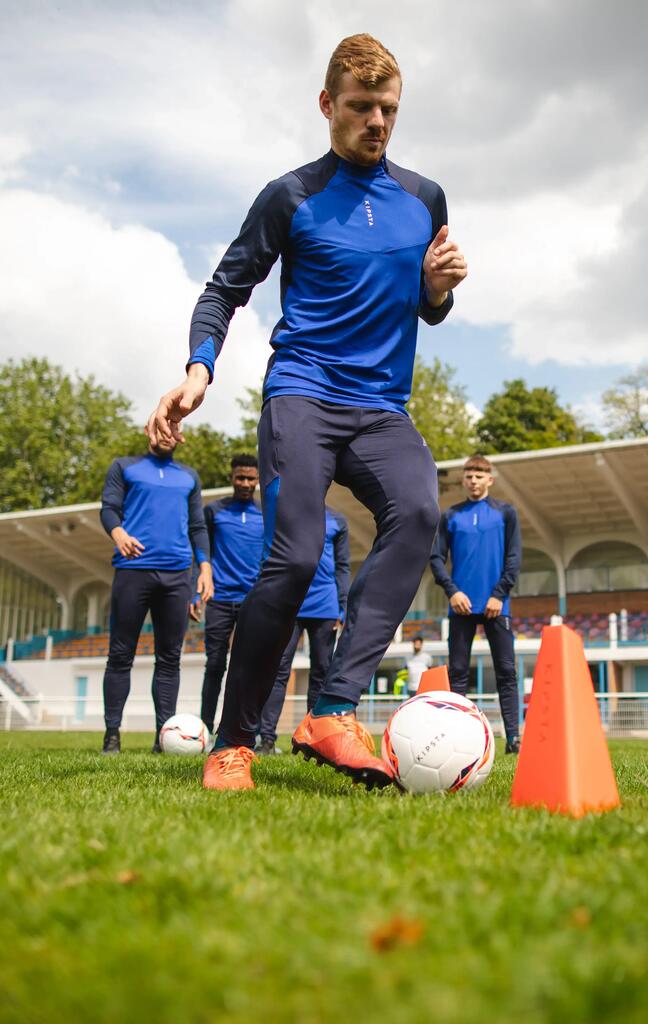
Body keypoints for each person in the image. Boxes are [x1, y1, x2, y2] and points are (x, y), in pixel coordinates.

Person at [147, 33, 467, 791]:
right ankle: (233, 744)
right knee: (292, 559)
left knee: (420, 513)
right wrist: (199, 369)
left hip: (381, 408)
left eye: (388, 109)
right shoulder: (291, 195)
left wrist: (440, 288)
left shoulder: (425, 199)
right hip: (302, 395)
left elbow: (427, 308)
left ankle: (332, 708)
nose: (377, 122)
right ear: (328, 106)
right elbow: (225, 289)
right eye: (361, 107)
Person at [99, 434, 212, 754]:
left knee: (169, 659)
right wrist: (118, 532)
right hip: (133, 571)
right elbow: (108, 509)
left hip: (177, 576)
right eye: (162, 424)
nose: (167, 432)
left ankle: (163, 737)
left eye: (174, 425)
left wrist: (204, 568)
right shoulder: (124, 467)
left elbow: (197, 527)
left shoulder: (188, 476)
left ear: (180, 434)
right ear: (151, 429)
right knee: (120, 656)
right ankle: (112, 734)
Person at [430, 454, 522, 753]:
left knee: (506, 672)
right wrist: (452, 591)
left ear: (490, 479)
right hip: (461, 606)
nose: (473, 480)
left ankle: (513, 738)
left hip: (497, 605)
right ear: (463, 480)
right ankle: (459, 736)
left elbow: (513, 558)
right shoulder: (450, 516)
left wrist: (499, 594)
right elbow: (435, 558)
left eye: (479, 476)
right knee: (457, 673)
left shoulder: (506, 513)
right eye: (468, 475)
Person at [258, 505, 350, 754]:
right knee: (278, 671)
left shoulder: (338, 520)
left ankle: (313, 740)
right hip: (290, 604)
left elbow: (342, 566)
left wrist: (342, 606)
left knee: (321, 672)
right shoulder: (288, 513)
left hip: (326, 606)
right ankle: (266, 738)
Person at [198, 454, 263, 735]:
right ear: (231, 478)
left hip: (254, 600)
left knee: (250, 669)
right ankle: (204, 729)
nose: (245, 483)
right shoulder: (214, 512)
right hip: (220, 599)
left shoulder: (267, 513)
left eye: (251, 478)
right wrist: (195, 591)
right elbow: (201, 552)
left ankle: (246, 730)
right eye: (240, 477)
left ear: (258, 480)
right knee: (215, 665)